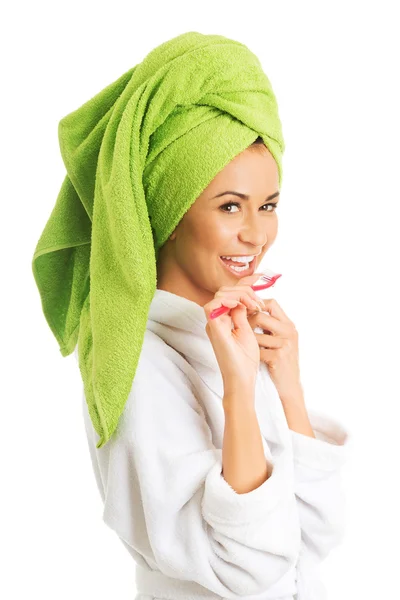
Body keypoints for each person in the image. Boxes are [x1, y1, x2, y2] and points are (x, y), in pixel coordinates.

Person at [33, 31, 352, 600]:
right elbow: (250, 573)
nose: (257, 235)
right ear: (172, 210)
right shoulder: (132, 365)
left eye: (269, 205)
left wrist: (287, 385)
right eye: (230, 206)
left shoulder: (224, 335)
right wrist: (237, 389)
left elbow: (318, 538)